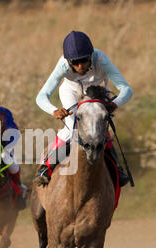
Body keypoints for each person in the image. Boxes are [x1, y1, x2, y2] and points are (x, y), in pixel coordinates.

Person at [34, 30, 134, 186]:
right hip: (72, 92)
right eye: (75, 62)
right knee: (71, 128)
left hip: (97, 92)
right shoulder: (62, 66)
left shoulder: (102, 60)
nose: (80, 66)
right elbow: (41, 96)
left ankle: (117, 167)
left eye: (84, 60)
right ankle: (45, 167)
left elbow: (127, 89)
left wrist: (114, 104)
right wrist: (54, 110)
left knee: (99, 127)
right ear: (68, 61)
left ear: (91, 55)